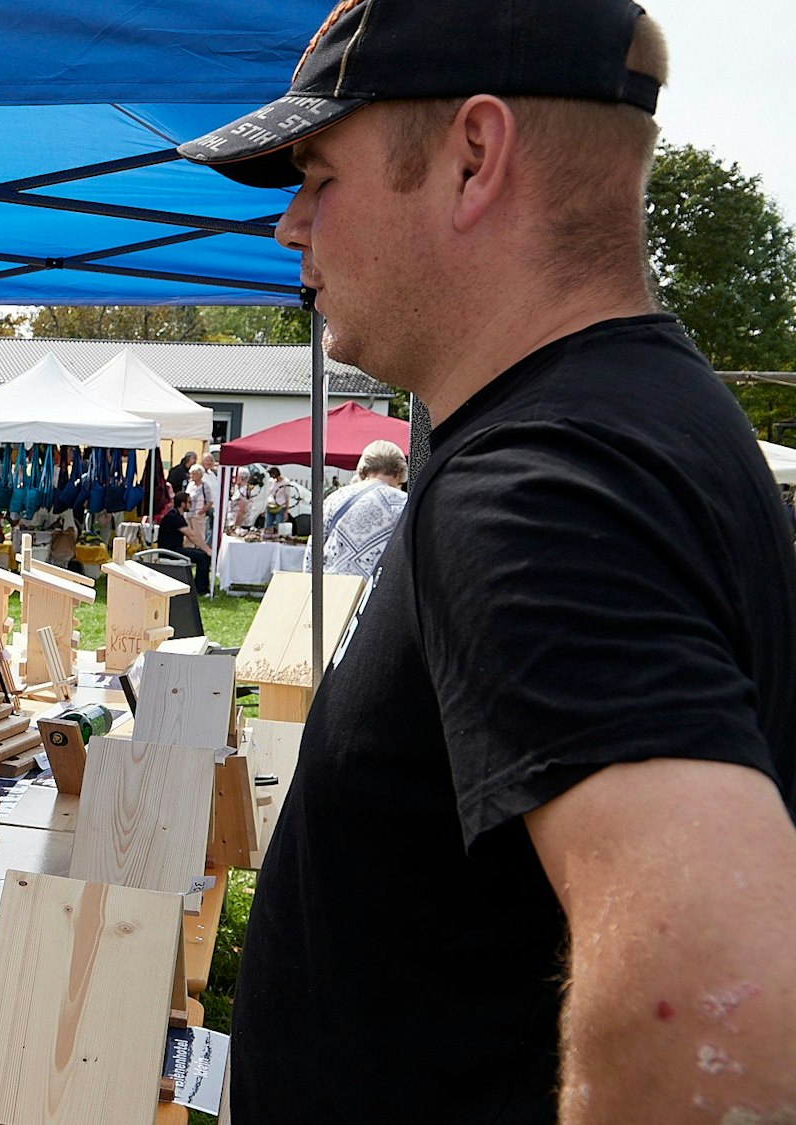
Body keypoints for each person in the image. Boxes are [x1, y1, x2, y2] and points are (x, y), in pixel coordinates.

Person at [179, 2, 795, 1120]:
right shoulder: (637, 424)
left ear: (472, 158)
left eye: (317, 176)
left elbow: (712, 1014)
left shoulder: (539, 487)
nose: (288, 228)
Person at [320, 439, 409, 582]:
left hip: (333, 587)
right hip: (375, 590)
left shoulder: (336, 497)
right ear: (399, 472)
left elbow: (314, 549)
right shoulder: (403, 502)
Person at [154, 483, 212, 594]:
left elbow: (191, 535)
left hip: (173, 549)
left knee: (201, 555)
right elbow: (191, 535)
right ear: (182, 504)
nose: (191, 504)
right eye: (190, 502)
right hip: (169, 552)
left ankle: (199, 586)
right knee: (203, 557)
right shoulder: (174, 517)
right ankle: (201, 589)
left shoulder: (176, 515)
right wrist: (207, 550)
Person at [262, 465, 294, 529]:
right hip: (270, 505)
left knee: (279, 526)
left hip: (280, 506)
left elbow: (287, 496)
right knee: (268, 525)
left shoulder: (285, 482)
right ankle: (268, 536)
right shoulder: (271, 481)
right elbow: (269, 494)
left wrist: (286, 511)